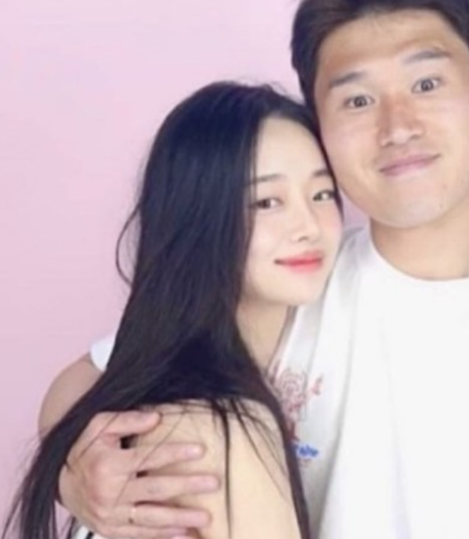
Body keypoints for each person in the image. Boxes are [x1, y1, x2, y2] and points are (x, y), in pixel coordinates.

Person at [37, 1, 469, 538]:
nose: (398, 127)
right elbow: (102, 376)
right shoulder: (293, 273)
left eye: (426, 83)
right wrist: (75, 474)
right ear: (319, 122)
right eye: (358, 99)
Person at [2, 81, 342, 539]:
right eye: (266, 202)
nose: (308, 227)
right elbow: (81, 378)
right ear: (199, 216)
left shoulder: (345, 289)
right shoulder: (208, 426)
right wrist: (72, 476)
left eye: (322, 194)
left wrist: (63, 472)